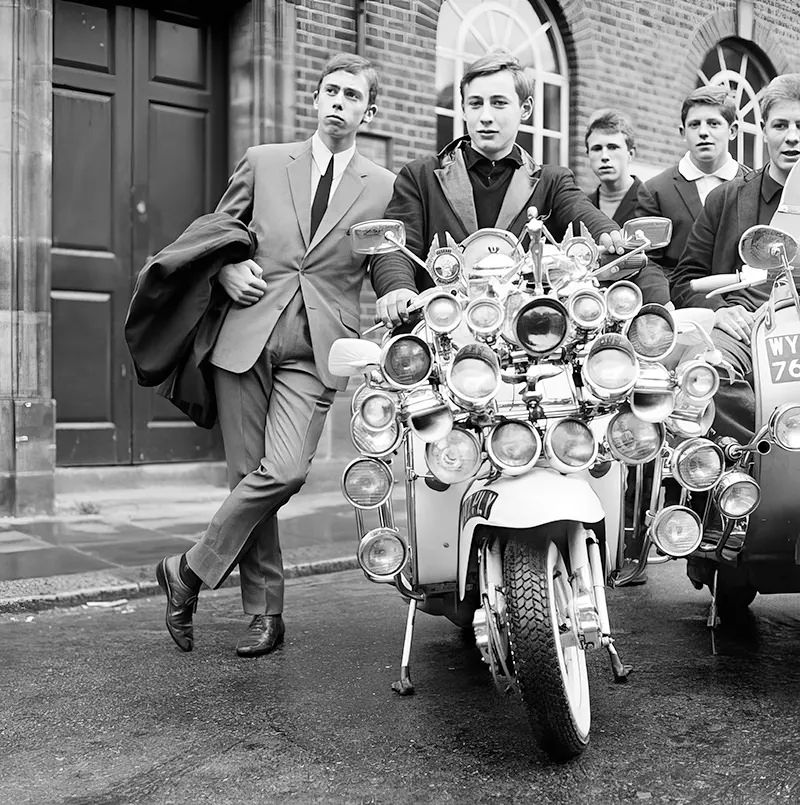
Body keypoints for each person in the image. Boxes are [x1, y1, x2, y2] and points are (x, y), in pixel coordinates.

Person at [155, 53, 395, 657]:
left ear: (370, 110)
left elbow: (387, 259)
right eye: (330, 91)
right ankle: (265, 613)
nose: (339, 102)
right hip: (244, 338)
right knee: (247, 477)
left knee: (283, 471)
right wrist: (228, 269)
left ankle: (186, 571)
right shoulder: (264, 162)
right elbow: (212, 235)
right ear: (315, 100)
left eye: (352, 95)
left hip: (317, 348)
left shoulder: (385, 186)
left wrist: (398, 293)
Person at [370, 49, 625, 326]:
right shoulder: (421, 176)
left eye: (499, 103)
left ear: (525, 109)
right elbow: (396, 246)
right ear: (464, 108)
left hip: (528, 338)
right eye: (476, 103)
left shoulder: (551, 181)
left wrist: (606, 232)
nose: (486, 116)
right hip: (441, 334)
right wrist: (396, 286)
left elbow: (579, 210)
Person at [671, 73, 800, 443]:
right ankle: (752, 468)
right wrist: (721, 313)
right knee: (706, 374)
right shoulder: (724, 199)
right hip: (740, 330)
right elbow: (686, 279)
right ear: (763, 129)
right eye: (780, 125)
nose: (791, 136)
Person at [636, 85, 751, 280]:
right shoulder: (655, 191)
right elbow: (648, 262)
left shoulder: (754, 186)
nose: (703, 132)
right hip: (680, 302)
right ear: (683, 132)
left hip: (742, 302)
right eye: (694, 124)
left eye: (713, 123)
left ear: (732, 130)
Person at [584, 109, 669, 304]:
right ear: (587, 154)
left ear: (630, 153)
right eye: (597, 148)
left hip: (643, 303)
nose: (605, 156)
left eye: (613, 147)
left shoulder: (653, 201)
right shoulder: (582, 206)